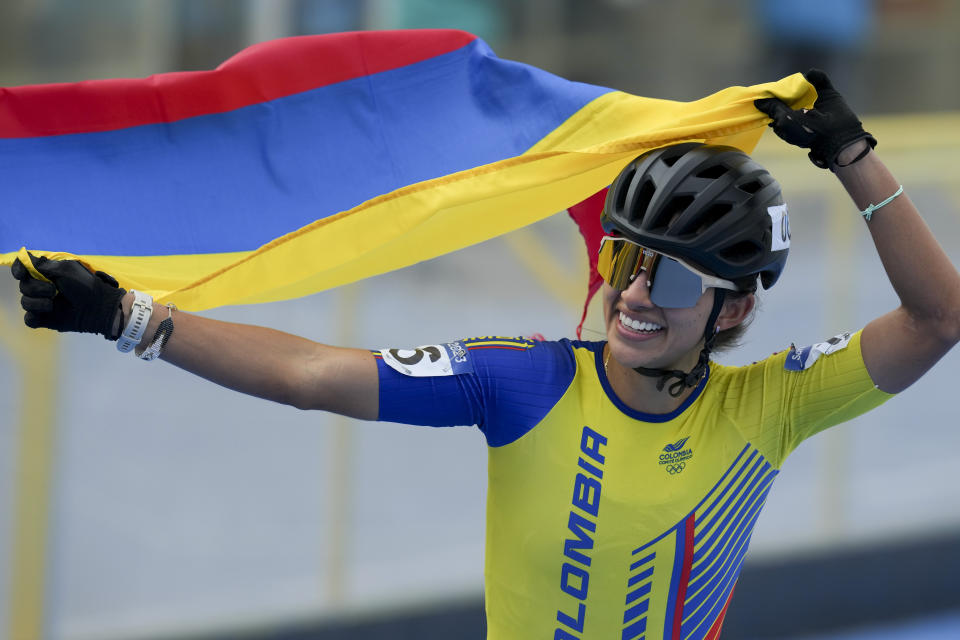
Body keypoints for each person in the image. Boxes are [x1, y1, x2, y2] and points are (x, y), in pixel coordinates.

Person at [12, 70, 960, 639]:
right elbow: (311, 376)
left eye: (670, 282)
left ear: (733, 312)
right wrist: (131, 317)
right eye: (626, 260)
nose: (632, 295)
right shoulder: (529, 378)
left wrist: (854, 155)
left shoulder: (768, 407)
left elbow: (938, 318)